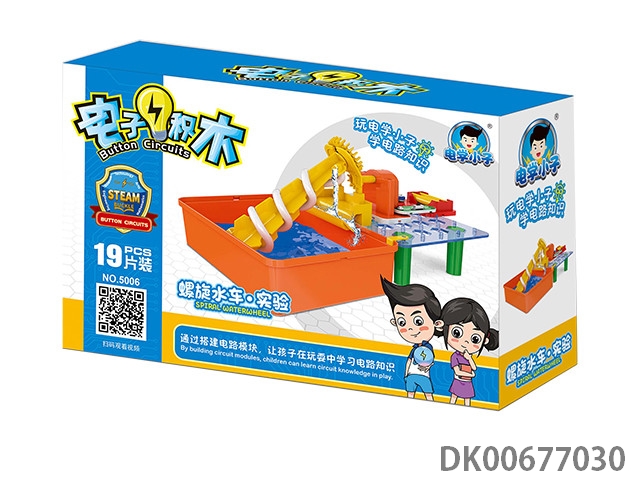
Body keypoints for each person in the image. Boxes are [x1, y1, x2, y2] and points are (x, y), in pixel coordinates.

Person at [380, 276, 443, 400]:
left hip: (424, 376)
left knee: (429, 395)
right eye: (402, 322)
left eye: (418, 321)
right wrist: (406, 374)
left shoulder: (428, 347)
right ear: (395, 322)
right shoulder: (414, 349)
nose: (409, 328)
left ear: (437, 323)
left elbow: (431, 361)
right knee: (410, 395)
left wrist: (427, 366)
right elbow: (409, 361)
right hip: (411, 376)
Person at [438, 297, 499, 406]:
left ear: (485, 340)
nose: (466, 341)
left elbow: (474, 367)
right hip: (458, 380)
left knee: (467, 399)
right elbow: (457, 371)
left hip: (468, 383)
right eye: (457, 333)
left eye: (475, 339)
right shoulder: (455, 356)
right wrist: (470, 374)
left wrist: (469, 358)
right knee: (454, 397)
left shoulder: (467, 356)